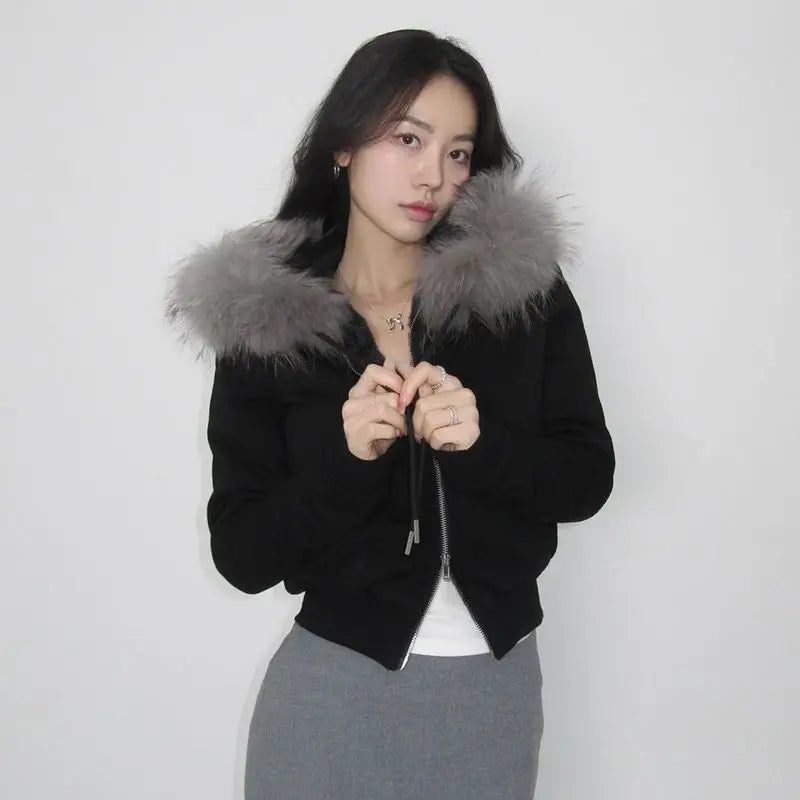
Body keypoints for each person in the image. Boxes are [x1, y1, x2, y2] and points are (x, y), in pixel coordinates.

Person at [165, 28, 614, 800]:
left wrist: (485, 445)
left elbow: (586, 479)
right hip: (329, 707)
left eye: (457, 152)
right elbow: (242, 554)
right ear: (342, 145)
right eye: (408, 138)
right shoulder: (271, 321)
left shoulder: (521, 295)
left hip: (493, 701)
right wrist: (347, 464)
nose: (432, 175)